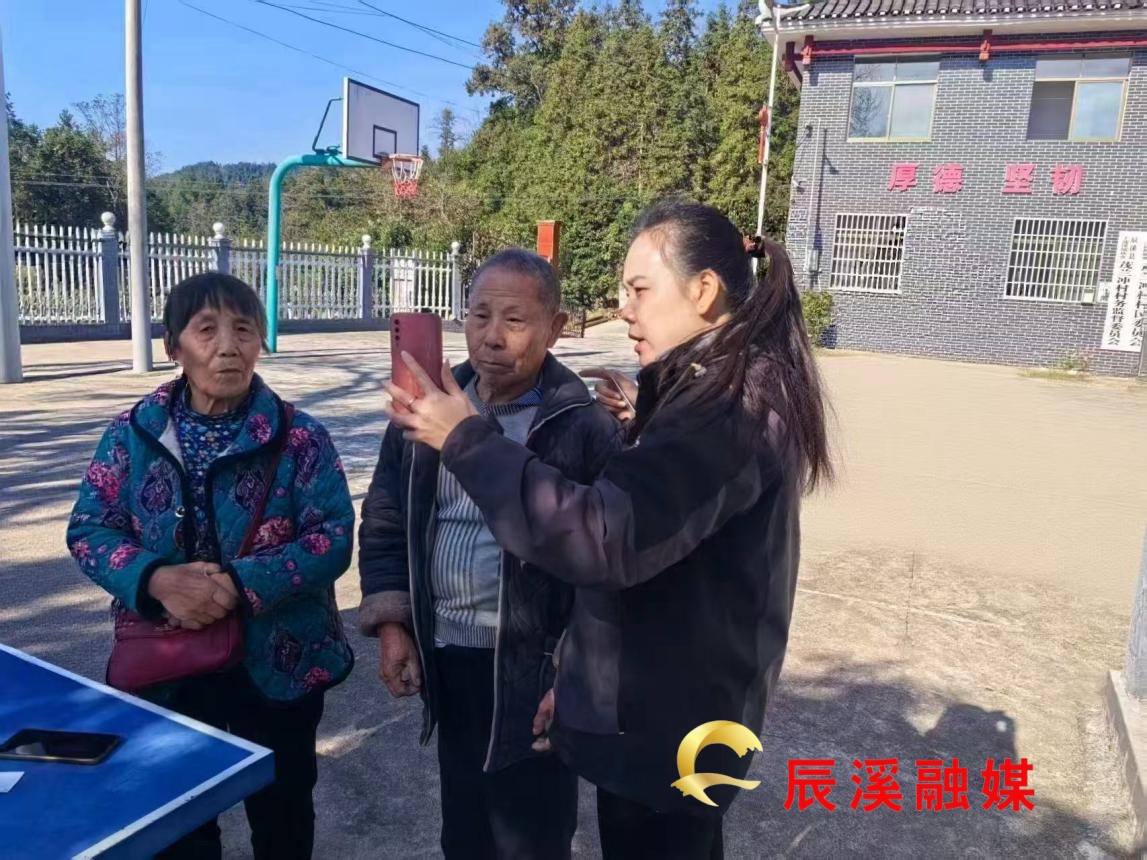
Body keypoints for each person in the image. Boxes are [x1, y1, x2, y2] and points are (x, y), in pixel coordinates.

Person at [383, 200, 831, 860]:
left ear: (703, 291)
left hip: (672, 718)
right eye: (479, 315)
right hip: (655, 705)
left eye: (639, 289)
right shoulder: (718, 388)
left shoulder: (726, 405)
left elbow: (601, 537)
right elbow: (659, 529)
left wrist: (465, 439)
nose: (624, 309)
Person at [66, 272, 354, 860]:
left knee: (284, 813)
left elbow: (332, 537)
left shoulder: (300, 438)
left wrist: (239, 584)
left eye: (243, 330)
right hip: (169, 666)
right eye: (206, 330)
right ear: (173, 347)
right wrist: (156, 579)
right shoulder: (132, 434)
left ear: (260, 342)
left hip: (278, 662)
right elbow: (90, 528)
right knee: (180, 820)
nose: (228, 347)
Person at [357, 249, 620, 860]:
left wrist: (576, 669)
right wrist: (394, 625)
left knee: (533, 835)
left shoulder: (581, 425)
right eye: (479, 316)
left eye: (515, 320)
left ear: (555, 327)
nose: (492, 337)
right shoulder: (424, 407)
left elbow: (607, 565)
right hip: (447, 654)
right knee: (464, 827)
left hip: (535, 666)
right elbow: (386, 518)